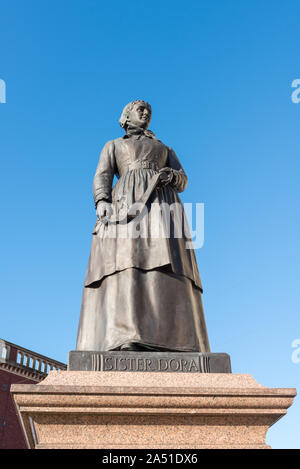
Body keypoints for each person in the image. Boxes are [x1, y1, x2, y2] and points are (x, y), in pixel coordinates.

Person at [76, 100, 210, 352]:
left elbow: (183, 180)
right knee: (128, 261)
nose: (146, 112)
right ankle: (126, 333)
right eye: (140, 109)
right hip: (126, 204)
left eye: (149, 110)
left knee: (167, 263)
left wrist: (172, 176)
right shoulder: (114, 145)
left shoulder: (163, 147)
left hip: (163, 204)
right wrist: (101, 200)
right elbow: (102, 174)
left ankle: (177, 338)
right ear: (127, 116)